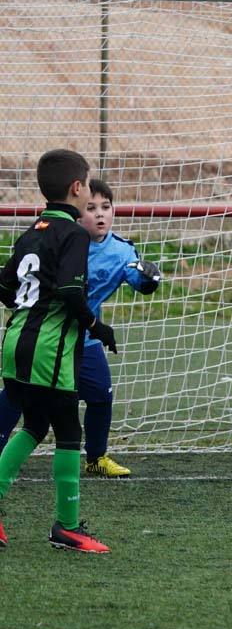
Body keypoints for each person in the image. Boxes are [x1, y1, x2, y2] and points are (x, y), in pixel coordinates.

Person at [0, 178, 160, 477]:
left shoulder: (121, 251)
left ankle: (96, 458)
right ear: (76, 211)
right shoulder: (64, 239)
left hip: (83, 338)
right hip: (45, 334)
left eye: (106, 207)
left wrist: (149, 278)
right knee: (19, 396)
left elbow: (138, 279)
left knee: (100, 392)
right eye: (91, 208)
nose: (100, 214)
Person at [0, 150, 118, 553]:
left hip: (15, 343)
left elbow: (5, 287)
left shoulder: (33, 231)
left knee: (33, 425)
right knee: (69, 432)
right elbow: (69, 290)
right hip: (49, 351)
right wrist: (96, 327)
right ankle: (67, 528)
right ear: (76, 188)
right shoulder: (74, 234)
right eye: (87, 184)